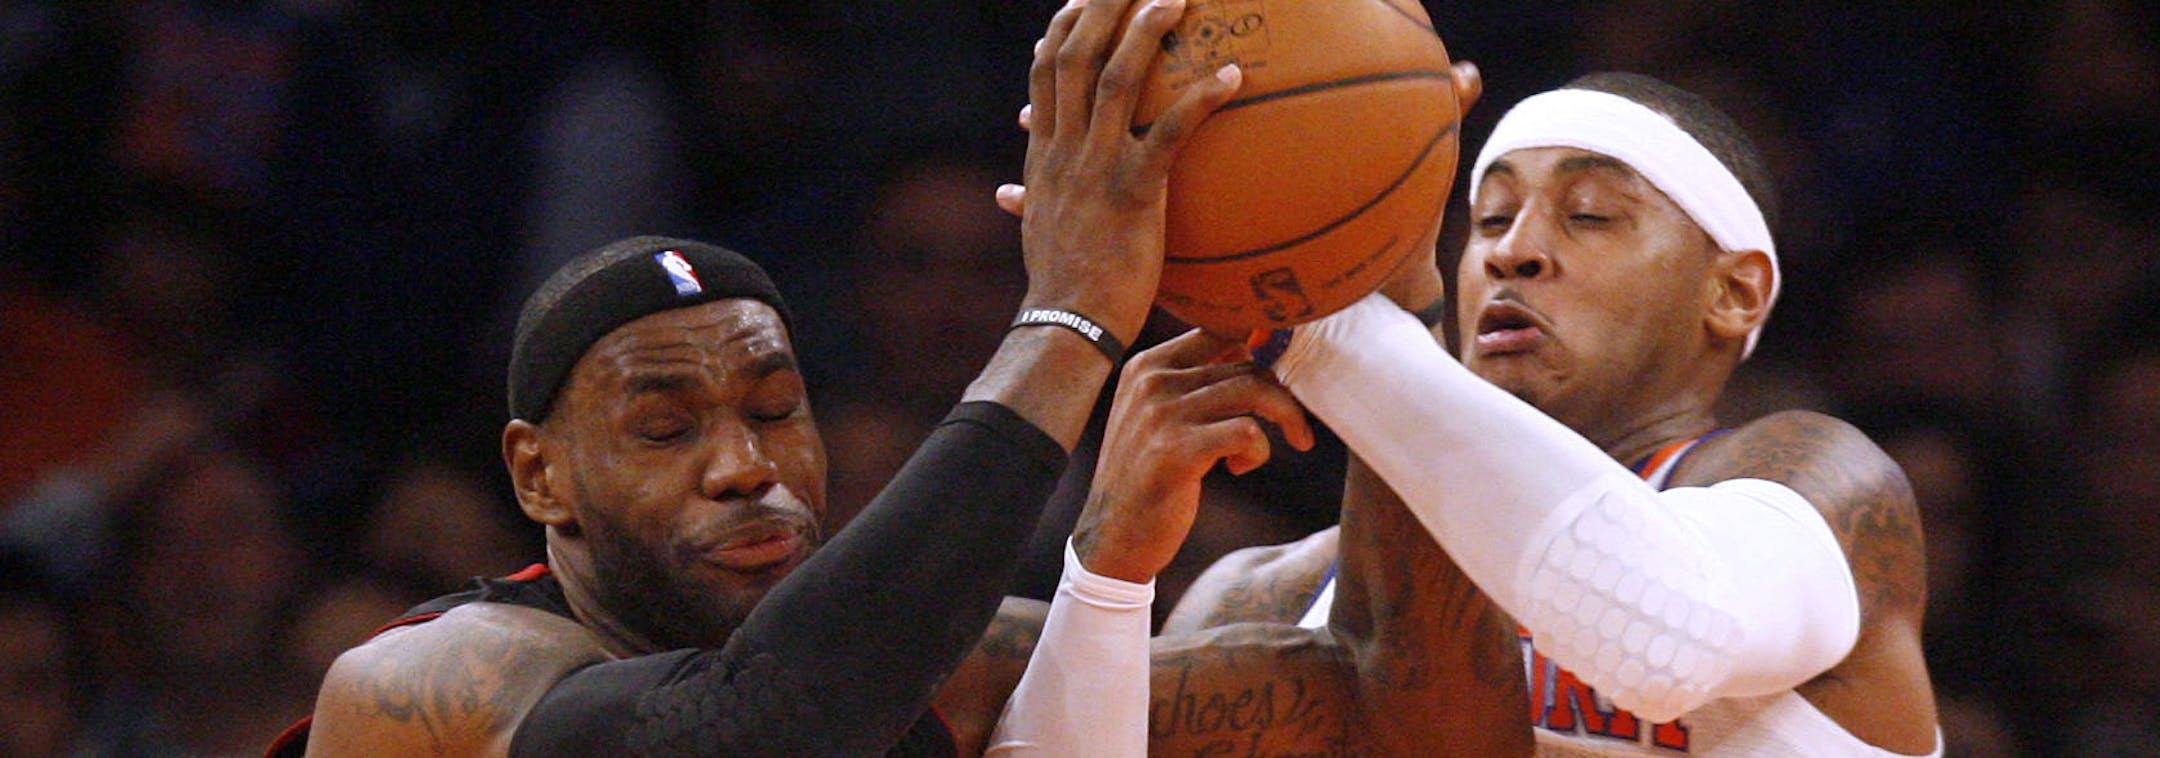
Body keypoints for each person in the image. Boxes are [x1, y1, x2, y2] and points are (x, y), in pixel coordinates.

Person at [280, 0, 1258, 754]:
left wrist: (1372, 303)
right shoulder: (430, 681)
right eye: (665, 428)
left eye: (775, 409)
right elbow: (761, 727)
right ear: (540, 476)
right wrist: (1069, 319)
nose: (746, 466)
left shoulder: (953, 652)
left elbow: (1377, 677)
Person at [1160, 72, 1941, 755]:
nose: (1514, 250)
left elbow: (1672, 638)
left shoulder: (1828, 491)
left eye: (1591, 214)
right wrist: (1105, 576)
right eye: (1492, 218)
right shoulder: (1272, 590)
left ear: (1732, 293)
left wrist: (1317, 322)